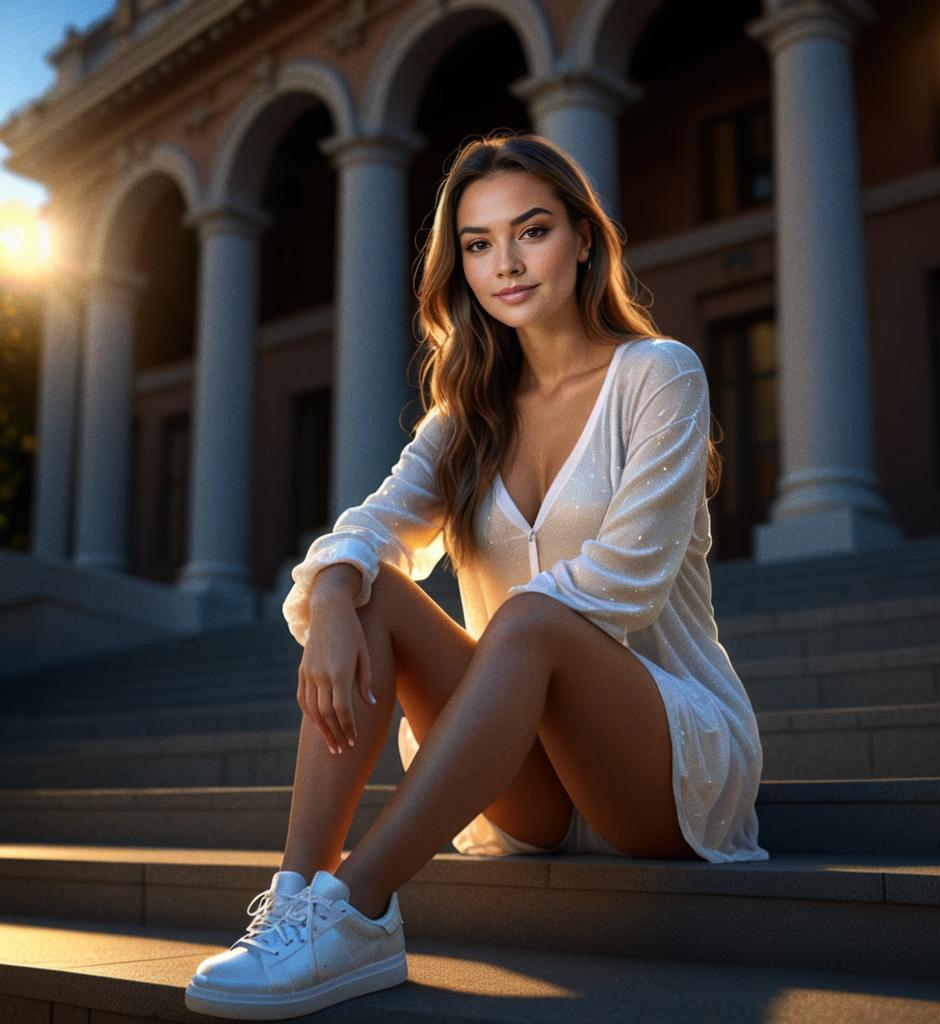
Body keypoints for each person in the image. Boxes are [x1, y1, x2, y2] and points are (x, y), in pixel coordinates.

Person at [185, 130, 769, 1020]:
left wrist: (496, 643)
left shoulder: (658, 375)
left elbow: (630, 579)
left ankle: (363, 909)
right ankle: (296, 898)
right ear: (459, 265)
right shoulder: (465, 418)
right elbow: (370, 528)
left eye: (531, 231)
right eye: (479, 243)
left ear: (582, 237)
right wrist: (339, 594)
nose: (507, 263)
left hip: (663, 763)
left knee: (531, 618)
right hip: (526, 783)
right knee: (374, 585)